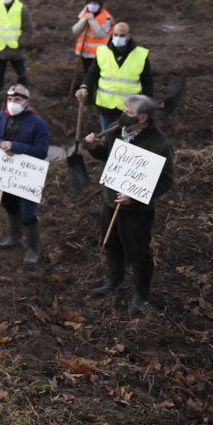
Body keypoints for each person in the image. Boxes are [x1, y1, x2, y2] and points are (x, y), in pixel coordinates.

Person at [83, 94, 175, 312]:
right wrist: (94, 146)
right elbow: (107, 156)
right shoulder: (117, 131)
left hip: (137, 210)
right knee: (113, 244)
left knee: (139, 252)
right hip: (110, 201)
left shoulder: (160, 144)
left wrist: (135, 196)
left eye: (128, 112)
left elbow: (166, 181)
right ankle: (114, 281)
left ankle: (141, 295)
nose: (123, 115)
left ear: (143, 118)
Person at [0, 85, 50, 263]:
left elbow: (42, 151)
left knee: (27, 212)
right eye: (10, 100)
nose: (13, 103)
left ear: (26, 102)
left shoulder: (37, 123)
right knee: (9, 204)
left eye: (17, 100)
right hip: (5, 171)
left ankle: (33, 248)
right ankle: (15, 237)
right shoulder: (1, 116)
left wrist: (16, 147)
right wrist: (2, 143)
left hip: (26, 174)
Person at [76, 22, 154, 132]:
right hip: (106, 107)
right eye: (115, 35)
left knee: (128, 139)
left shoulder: (140, 55)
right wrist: (84, 87)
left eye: (122, 35)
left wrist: (147, 107)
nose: (118, 38)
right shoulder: (103, 52)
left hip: (130, 110)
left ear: (129, 36)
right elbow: (92, 74)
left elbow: (147, 82)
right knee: (108, 139)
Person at [0, 0, 31, 91]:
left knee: (21, 73)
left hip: (15, 49)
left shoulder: (21, 8)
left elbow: (28, 28)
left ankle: (23, 92)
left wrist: (22, 42)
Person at [72, 0, 113, 73]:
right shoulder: (84, 14)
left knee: (96, 74)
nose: (92, 6)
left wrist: (92, 20)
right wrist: (84, 20)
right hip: (85, 51)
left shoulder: (107, 18)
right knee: (87, 73)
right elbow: (75, 31)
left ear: (100, 6)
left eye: (95, 4)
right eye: (90, 3)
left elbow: (100, 35)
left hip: (98, 53)